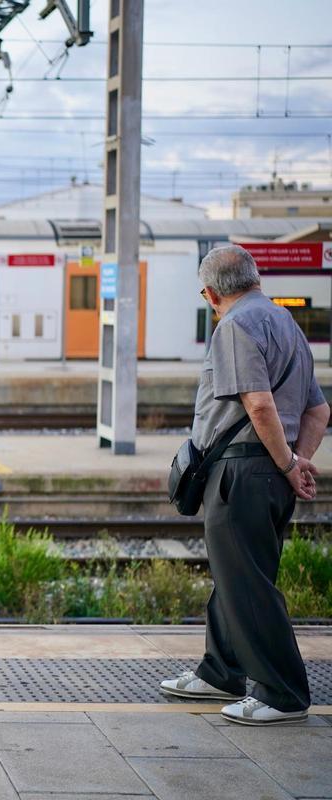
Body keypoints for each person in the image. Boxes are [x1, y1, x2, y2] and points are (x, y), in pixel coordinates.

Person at [160, 244, 328, 726]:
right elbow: (318, 409)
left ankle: (282, 693)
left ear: (210, 293)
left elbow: (257, 404)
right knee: (239, 577)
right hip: (270, 472)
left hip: (243, 470)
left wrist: (286, 462)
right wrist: (298, 462)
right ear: (255, 279)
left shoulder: (234, 325)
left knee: (249, 585)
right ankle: (221, 671)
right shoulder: (287, 326)